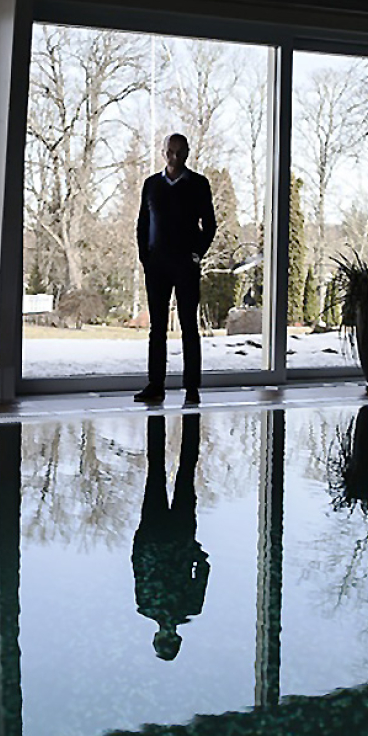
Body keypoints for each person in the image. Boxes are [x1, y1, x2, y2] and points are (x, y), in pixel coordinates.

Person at [135, 132, 217, 405]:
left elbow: (210, 225)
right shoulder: (150, 185)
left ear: (187, 153)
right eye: (170, 151)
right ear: (163, 153)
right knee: (157, 327)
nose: (174, 157)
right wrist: (145, 258)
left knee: (188, 326)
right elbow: (142, 223)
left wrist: (196, 254)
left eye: (180, 152)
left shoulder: (199, 184)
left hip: (185, 265)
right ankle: (155, 384)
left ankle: (191, 387)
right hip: (156, 265)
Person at [132, 413, 208, 661]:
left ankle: (177, 418)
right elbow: (137, 566)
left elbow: (139, 568)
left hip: (170, 536)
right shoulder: (148, 606)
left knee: (176, 471)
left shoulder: (154, 606)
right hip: (166, 536)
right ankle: (174, 417)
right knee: (165, 471)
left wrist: (193, 551)